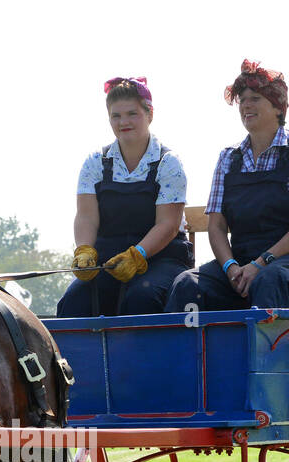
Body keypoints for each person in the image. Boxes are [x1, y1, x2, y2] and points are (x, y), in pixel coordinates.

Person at [167, 60, 289, 314]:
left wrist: (262, 263)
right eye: (242, 100)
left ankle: (264, 354)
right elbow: (217, 226)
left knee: (269, 280)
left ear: (278, 107)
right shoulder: (228, 158)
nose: (246, 105)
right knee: (187, 284)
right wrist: (231, 268)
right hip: (242, 261)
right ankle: (191, 353)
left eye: (255, 98)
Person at [56, 77, 191, 317]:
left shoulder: (168, 163)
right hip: (109, 260)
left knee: (142, 297)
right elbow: (86, 216)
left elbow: (168, 225)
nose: (124, 122)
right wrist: (85, 250)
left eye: (132, 114)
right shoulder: (95, 162)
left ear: (149, 114)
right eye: (116, 116)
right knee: (74, 302)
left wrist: (137, 255)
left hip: (162, 259)